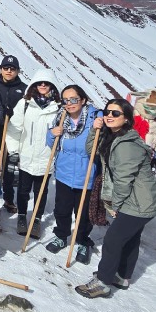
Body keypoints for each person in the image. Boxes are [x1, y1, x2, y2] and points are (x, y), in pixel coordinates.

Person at [75, 98, 156, 299]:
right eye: (107, 112)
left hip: (140, 201)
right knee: (130, 239)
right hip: (141, 199)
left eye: (116, 113)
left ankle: (104, 282)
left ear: (126, 119)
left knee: (113, 239)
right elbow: (92, 151)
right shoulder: (113, 137)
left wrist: (116, 204)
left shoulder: (126, 146)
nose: (109, 116)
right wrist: (93, 131)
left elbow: (123, 180)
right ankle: (122, 276)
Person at [43, 85, 99, 265]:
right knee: (62, 209)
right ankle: (61, 235)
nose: (69, 104)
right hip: (64, 173)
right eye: (65, 100)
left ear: (82, 100)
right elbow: (52, 144)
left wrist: (101, 125)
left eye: (74, 99)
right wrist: (51, 134)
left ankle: (82, 241)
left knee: (83, 213)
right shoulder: (61, 118)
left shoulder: (95, 117)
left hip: (86, 174)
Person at [5, 68, 60, 238]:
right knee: (22, 190)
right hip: (27, 155)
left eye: (47, 83)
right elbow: (15, 129)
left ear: (52, 86)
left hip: (46, 157)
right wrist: (13, 150)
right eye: (39, 83)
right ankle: (22, 216)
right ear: (34, 85)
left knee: (41, 191)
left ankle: (36, 219)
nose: (43, 85)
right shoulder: (26, 104)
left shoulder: (58, 108)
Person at [0, 55, 27, 213]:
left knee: (9, 168)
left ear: (17, 71)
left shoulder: (24, 89)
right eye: (6, 68)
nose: (9, 71)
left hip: (13, 133)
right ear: (0, 70)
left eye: (12, 68)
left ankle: (9, 198)